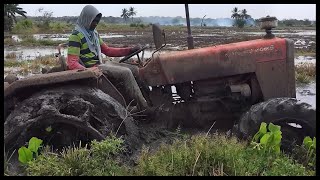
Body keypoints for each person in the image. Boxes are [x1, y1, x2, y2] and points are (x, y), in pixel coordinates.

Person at [67, 5, 149, 113]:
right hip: (94, 67)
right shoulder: (76, 36)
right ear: (86, 19)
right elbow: (72, 63)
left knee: (135, 69)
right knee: (126, 72)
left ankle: (146, 99)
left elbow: (108, 50)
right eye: (93, 21)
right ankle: (144, 107)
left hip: (101, 63)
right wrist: (89, 72)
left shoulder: (94, 34)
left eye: (97, 21)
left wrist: (130, 50)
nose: (95, 24)